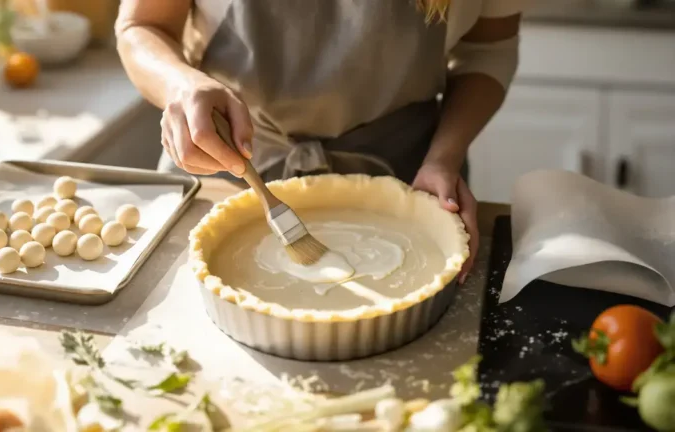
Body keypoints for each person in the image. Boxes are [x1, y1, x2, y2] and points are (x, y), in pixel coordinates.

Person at [115, 0, 523, 284]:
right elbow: (142, 26)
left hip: (412, 178)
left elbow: (488, 51)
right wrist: (181, 84)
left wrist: (443, 158)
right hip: (223, 166)